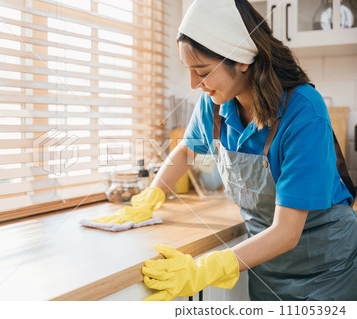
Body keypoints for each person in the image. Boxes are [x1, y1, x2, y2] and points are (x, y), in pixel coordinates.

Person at [92, 0, 357, 301]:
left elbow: (286, 231)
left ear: (242, 60)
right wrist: (152, 196)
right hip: (265, 263)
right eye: (188, 70)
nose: (194, 84)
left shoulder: (303, 110)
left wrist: (207, 268)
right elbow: (185, 152)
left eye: (202, 71)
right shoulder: (215, 104)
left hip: (326, 269)